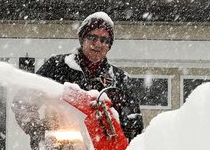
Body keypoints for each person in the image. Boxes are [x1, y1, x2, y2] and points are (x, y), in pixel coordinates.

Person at [34, 12, 144, 141]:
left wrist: (129, 136)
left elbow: (132, 118)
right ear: (83, 39)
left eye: (104, 40)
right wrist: (37, 130)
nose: (98, 44)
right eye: (93, 37)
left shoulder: (119, 79)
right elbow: (25, 99)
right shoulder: (58, 66)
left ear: (109, 46)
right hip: (61, 147)